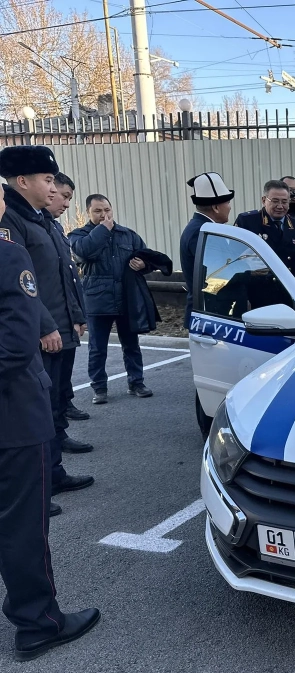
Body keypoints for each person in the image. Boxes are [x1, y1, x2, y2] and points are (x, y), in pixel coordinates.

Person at [0, 146, 94, 509]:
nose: (54, 189)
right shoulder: (11, 220)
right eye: (48, 180)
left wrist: (75, 316)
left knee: (53, 406)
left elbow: (62, 273)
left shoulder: (41, 219)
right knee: (33, 417)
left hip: (59, 326)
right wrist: (44, 326)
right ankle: (40, 487)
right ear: (23, 181)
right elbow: (21, 284)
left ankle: (53, 473)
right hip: (39, 335)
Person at [69, 195, 156, 405]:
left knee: (131, 344)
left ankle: (136, 382)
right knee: (97, 348)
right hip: (97, 300)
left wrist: (143, 265)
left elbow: (148, 257)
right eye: (97, 211)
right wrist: (103, 230)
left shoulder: (127, 234)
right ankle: (99, 388)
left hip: (126, 298)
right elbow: (83, 252)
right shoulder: (79, 235)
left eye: (107, 209)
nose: (104, 214)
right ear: (88, 213)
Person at [48, 172, 92, 452]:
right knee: (51, 387)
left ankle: (60, 428)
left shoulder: (54, 228)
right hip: (50, 325)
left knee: (62, 380)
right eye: (64, 196)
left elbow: (69, 277)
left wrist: (77, 316)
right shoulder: (31, 227)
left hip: (65, 320)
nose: (66, 203)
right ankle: (55, 440)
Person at [235, 180, 295, 295]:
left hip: (290, 294)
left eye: (284, 202)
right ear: (264, 200)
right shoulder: (248, 222)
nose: (280, 206)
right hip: (258, 294)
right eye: (275, 201)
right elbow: (236, 261)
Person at [180, 172, 234, 328]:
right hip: (210, 315)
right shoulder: (202, 231)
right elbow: (218, 273)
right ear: (216, 207)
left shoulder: (203, 228)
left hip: (211, 314)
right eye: (227, 202)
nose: (230, 207)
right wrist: (250, 272)